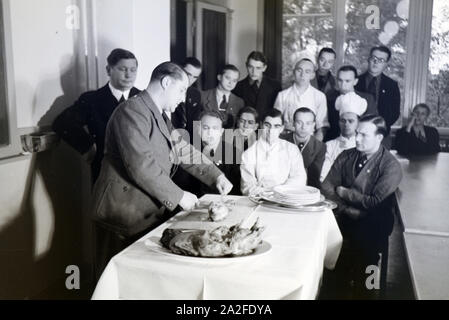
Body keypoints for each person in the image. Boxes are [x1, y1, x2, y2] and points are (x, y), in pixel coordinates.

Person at [90, 62, 233, 279]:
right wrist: (179, 196)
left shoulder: (157, 114)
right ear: (166, 82)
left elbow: (181, 149)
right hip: (121, 214)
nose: (183, 98)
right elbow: (141, 166)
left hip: (144, 210)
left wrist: (215, 174)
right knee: (116, 282)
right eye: (182, 90)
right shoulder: (131, 111)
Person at [321, 115, 403, 298]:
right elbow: (326, 186)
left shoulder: (391, 166)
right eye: (357, 133)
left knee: (367, 276)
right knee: (332, 270)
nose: (357, 138)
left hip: (373, 227)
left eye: (363, 135)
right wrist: (347, 209)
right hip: (343, 219)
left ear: (379, 137)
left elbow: (374, 202)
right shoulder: (346, 155)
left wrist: (343, 192)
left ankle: (367, 292)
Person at [52, 48, 141, 183]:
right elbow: (62, 122)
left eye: (133, 70)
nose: (129, 75)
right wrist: (87, 147)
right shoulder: (92, 99)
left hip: (139, 175)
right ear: (108, 70)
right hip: (106, 176)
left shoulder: (143, 98)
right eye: (123, 69)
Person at [240, 109, 307, 196]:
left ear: (282, 128)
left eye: (276, 126)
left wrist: (274, 190)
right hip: (259, 202)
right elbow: (247, 188)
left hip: (286, 200)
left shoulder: (292, 150)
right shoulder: (249, 153)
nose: (271, 130)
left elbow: (299, 180)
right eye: (267, 125)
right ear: (261, 125)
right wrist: (271, 193)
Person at [274, 51, 329, 141]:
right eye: (299, 70)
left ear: (312, 75)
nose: (302, 75)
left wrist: (313, 148)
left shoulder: (319, 96)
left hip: (310, 140)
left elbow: (321, 127)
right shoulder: (282, 95)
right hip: (286, 140)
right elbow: (275, 123)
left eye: (307, 72)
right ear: (294, 72)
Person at [189, 111, 241, 196]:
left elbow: (236, 190)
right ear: (198, 129)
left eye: (215, 128)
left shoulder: (234, 153)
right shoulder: (189, 151)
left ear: (221, 131)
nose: (210, 133)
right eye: (205, 128)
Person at [355, 46, 400, 140]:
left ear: (386, 64)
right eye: (373, 58)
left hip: (381, 134)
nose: (376, 62)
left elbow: (395, 113)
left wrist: (380, 127)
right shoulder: (355, 82)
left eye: (381, 60)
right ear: (368, 59)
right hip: (356, 133)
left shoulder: (392, 85)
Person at [320, 92, 367, 182]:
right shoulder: (330, 145)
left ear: (358, 123)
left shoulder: (364, 146)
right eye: (343, 120)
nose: (346, 124)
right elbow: (324, 175)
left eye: (351, 121)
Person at [325, 65, 377, 141]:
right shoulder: (329, 98)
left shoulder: (367, 99)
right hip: (334, 141)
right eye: (340, 80)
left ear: (355, 81)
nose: (343, 85)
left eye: (347, 81)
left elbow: (372, 125)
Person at [282, 108, 326, 189]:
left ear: (313, 125)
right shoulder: (281, 140)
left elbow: (313, 178)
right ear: (293, 123)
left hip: (305, 190)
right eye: (299, 122)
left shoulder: (320, 147)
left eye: (308, 123)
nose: (303, 127)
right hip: (281, 187)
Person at [232, 51, 282, 117]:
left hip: (266, 125)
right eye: (250, 67)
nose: (254, 72)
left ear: (264, 68)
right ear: (246, 65)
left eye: (258, 68)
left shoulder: (275, 86)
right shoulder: (237, 87)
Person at [201, 64, 244, 128]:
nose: (230, 83)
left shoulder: (239, 102)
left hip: (229, 137)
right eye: (228, 78)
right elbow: (196, 123)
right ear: (219, 77)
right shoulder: (203, 96)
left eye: (234, 80)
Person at [171, 57, 203, 142]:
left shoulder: (195, 94)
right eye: (188, 74)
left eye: (195, 77)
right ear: (180, 69)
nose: (190, 79)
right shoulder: (169, 90)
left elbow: (194, 124)